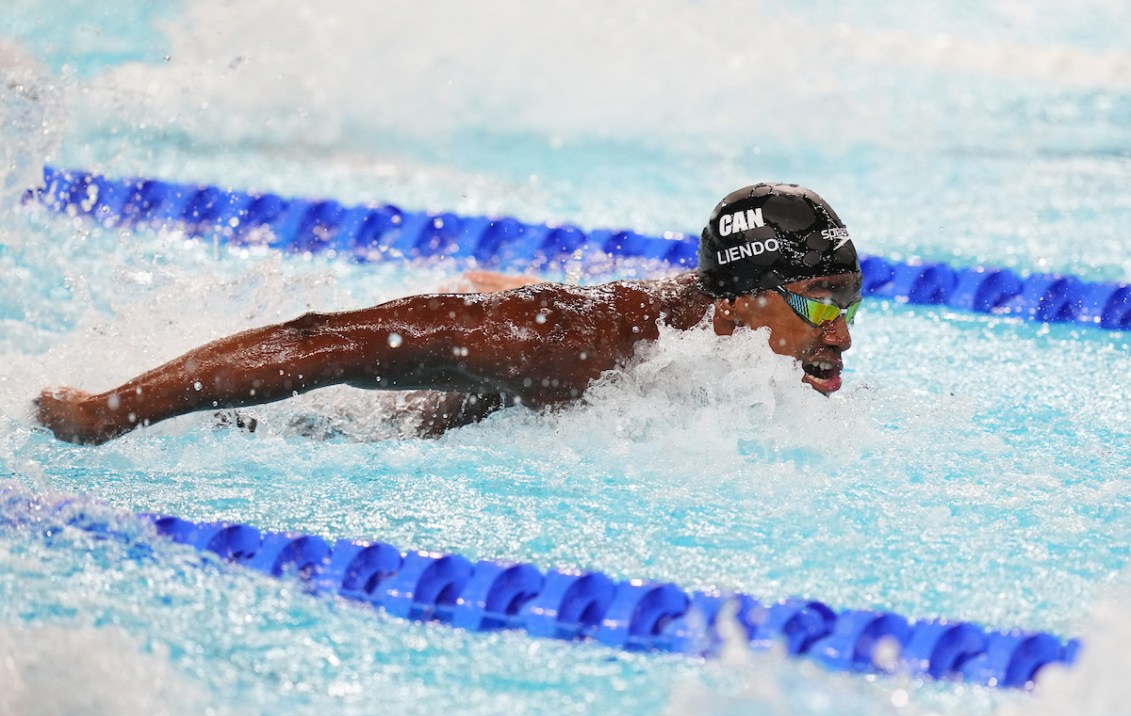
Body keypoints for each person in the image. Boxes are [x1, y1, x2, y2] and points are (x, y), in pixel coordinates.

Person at [35, 183, 863, 445]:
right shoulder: (566, 347)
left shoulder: (714, 327)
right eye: (822, 302)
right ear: (737, 301)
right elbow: (319, 342)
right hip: (357, 434)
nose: (843, 332)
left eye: (851, 299)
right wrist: (104, 413)